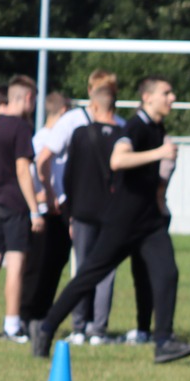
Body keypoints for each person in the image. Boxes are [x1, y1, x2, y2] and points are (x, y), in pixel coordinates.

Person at [32, 77, 190, 364]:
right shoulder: (135, 126)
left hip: (149, 221)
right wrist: (159, 153)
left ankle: (163, 343)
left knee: (167, 273)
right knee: (89, 276)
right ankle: (46, 329)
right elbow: (118, 160)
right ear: (147, 98)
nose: (172, 98)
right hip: (123, 221)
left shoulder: (157, 127)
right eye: (166, 93)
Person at [56, 73, 125, 343]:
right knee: (106, 271)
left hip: (83, 211)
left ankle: (78, 326)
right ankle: (99, 329)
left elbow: (68, 176)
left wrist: (69, 212)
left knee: (83, 269)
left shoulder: (80, 134)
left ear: (93, 106)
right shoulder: (123, 135)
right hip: (112, 213)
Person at [0, 77, 42, 341]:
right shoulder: (20, 127)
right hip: (13, 201)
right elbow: (22, 170)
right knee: (16, 261)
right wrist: (35, 210)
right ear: (27, 98)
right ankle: (13, 324)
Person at [24, 87, 89, 328]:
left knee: (54, 265)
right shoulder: (42, 139)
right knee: (40, 268)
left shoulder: (57, 139)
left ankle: (42, 314)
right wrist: (45, 196)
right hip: (47, 210)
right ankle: (29, 314)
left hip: (61, 208)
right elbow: (31, 173)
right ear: (63, 111)